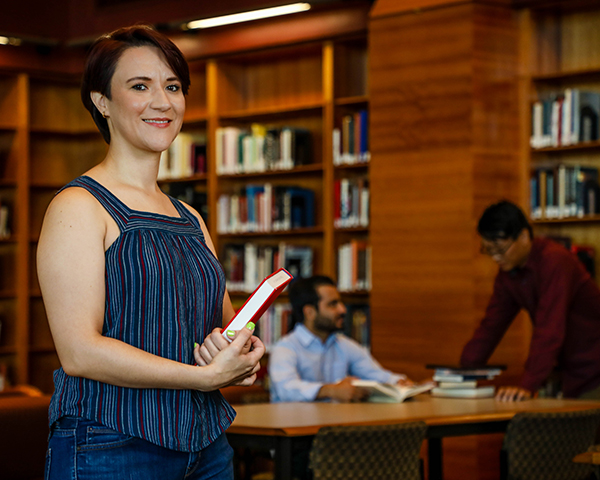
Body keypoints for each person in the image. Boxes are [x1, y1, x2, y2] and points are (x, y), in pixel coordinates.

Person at [37, 25, 265, 480]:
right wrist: (202, 378)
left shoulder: (190, 218)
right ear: (102, 102)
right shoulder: (78, 206)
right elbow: (80, 352)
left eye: (173, 86)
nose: (162, 101)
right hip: (110, 443)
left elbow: (216, 328)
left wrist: (238, 353)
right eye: (140, 86)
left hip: (207, 446)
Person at [460, 200, 600, 402]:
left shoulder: (555, 261)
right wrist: (457, 377)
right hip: (571, 372)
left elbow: (550, 329)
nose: (496, 258)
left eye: (500, 249)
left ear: (524, 236)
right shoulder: (509, 274)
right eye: (489, 250)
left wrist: (527, 385)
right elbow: (491, 326)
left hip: (594, 367)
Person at [269, 275, 412, 403]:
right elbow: (286, 388)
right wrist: (331, 390)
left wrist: (399, 382)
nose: (342, 310)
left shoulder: (343, 344)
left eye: (340, 303)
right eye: (333, 304)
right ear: (310, 312)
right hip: (293, 428)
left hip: (333, 427)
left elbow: (375, 374)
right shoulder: (286, 347)